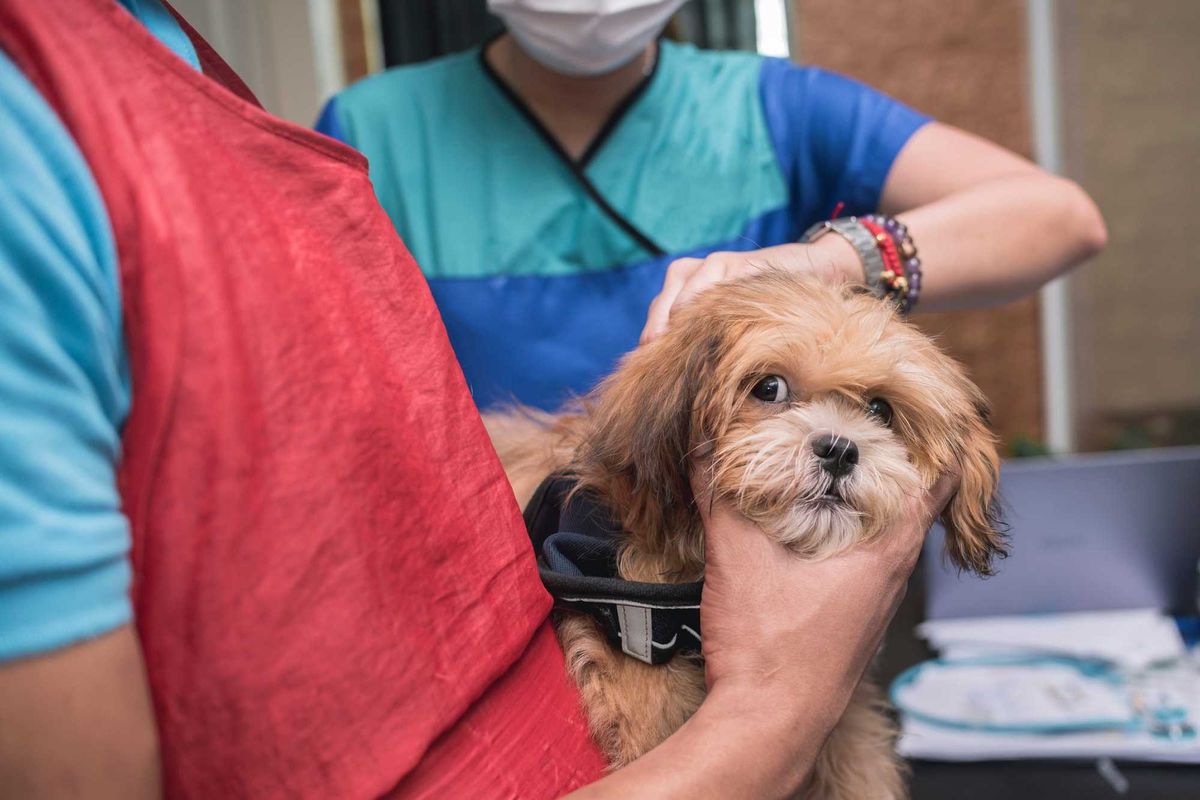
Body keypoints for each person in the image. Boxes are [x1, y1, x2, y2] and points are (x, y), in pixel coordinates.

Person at [0, 1, 951, 798]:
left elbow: (1029, 211)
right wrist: (775, 714)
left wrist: (839, 257)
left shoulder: (774, 103)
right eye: (770, 389)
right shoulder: (354, 125)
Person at [318, 0, 1106, 410]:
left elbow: (1057, 218)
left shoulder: (773, 108)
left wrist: (827, 263)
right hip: (481, 584)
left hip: (722, 585)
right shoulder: (371, 132)